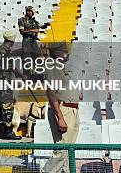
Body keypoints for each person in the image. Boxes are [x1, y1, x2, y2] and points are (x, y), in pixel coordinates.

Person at [43, 42, 80, 173]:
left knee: (68, 150)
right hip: (63, 110)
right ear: (56, 53)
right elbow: (51, 93)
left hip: (71, 110)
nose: (67, 53)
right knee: (61, 149)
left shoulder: (60, 67)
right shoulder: (52, 67)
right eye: (64, 51)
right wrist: (60, 117)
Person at [0, 30, 25, 140]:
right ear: (12, 39)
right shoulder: (2, 50)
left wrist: (20, 75)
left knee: (5, 104)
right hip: (4, 81)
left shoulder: (6, 50)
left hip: (6, 80)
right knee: (7, 105)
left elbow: (12, 67)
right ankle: (7, 132)